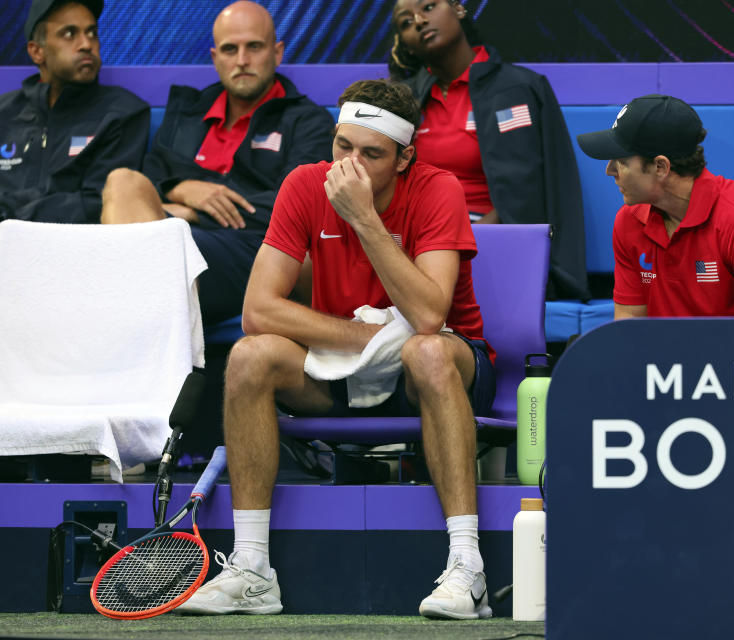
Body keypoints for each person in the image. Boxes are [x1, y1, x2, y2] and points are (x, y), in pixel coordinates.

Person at [176, 79, 496, 620]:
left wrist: (364, 218)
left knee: (427, 351)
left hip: (433, 371)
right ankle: (253, 568)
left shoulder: (437, 189)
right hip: (338, 369)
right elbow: (259, 311)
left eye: (371, 154)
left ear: (404, 158)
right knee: (251, 355)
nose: (351, 166)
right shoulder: (304, 184)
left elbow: (428, 317)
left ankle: (469, 568)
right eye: (342, 147)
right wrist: (361, 338)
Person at [101, 1, 333, 325]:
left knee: (140, 252)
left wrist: (194, 212)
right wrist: (182, 189)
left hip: (253, 251)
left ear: (277, 52)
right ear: (215, 58)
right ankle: (159, 341)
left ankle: (143, 347)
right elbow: (151, 180)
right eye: (229, 49)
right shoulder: (188, 113)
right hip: (167, 238)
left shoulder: (308, 121)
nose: (242, 60)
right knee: (122, 181)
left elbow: (299, 208)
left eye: (254, 46)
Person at [388, 0, 589, 301]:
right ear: (406, 44)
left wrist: (474, 236)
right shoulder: (403, 102)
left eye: (429, 6)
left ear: (458, 9)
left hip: (496, 241)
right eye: (406, 22)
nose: (418, 21)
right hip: (420, 241)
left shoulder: (519, 88)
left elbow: (540, 187)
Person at [577, 94, 734, 318]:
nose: (609, 171)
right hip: (668, 359)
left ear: (660, 167)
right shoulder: (629, 220)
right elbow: (629, 323)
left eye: (621, 162)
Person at [0, 0, 148, 223]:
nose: (86, 44)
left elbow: (97, 204)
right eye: (69, 34)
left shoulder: (123, 113)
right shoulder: (4, 112)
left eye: (92, 34)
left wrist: (10, 214)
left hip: (78, 248)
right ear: (37, 52)